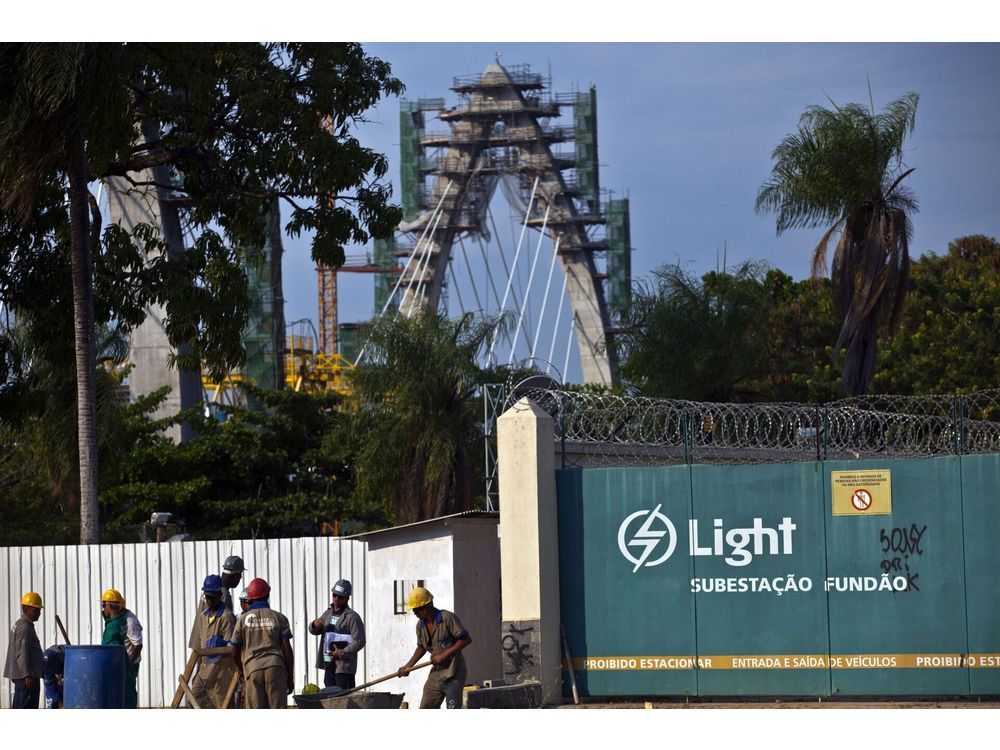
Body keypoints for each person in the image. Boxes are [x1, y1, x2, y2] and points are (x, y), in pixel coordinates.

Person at [397, 586, 471, 709]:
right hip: (436, 674)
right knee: (426, 707)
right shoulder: (420, 626)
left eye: (417, 609)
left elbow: (466, 639)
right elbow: (421, 647)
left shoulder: (447, 618)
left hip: (454, 673)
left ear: (427, 606)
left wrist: (444, 655)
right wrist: (408, 666)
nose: (415, 613)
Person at [230, 577, 293, 709]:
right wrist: (289, 677)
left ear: (251, 598)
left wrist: (242, 670)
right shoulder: (279, 618)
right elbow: (287, 649)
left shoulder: (242, 620)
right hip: (276, 668)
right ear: (268, 595)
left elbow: (234, 651)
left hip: (253, 669)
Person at [187, 575, 238, 708]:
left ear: (220, 595)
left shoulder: (227, 617)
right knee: (193, 701)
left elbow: (231, 649)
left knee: (223, 705)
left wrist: (219, 646)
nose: (209, 600)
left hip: (220, 675)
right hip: (204, 673)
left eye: (212, 597)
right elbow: (200, 646)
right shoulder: (203, 616)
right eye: (207, 596)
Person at [308, 579, 365, 690]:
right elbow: (314, 631)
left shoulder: (352, 617)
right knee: (330, 698)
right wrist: (314, 625)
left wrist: (341, 653)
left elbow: (360, 641)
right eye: (334, 595)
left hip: (343, 668)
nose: (336, 598)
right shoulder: (327, 613)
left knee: (343, 699)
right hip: (328, 665)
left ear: (347, 598)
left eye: (340, 596)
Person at [100, 588, 143, 709]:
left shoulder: (130, 621)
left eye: (104, 605)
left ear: (110, 606)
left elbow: (138, 645)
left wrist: (128, 663)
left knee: (127, 690)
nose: (103, 608)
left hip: (130, 661)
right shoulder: (118, 619)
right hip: (121, 661)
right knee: (120, 692)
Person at [3, 592, 44, 709]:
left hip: (23, 676)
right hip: (26, 677)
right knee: (26, 706)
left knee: (20, 705)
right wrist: (27, 675)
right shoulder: (25, 627)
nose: (39, 614)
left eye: (39, 611)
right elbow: (22, 651)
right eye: (36, 610)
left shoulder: (20, 624)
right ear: (27, 609)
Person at [42, 644, 65, 709]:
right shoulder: (46, 665)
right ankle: (55, 704)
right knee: (51, 685)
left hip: (52, 657)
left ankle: (56, 703)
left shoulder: (66, 654)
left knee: (50, 683)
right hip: (53, 659)